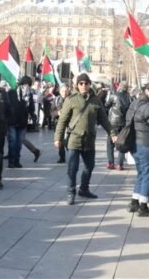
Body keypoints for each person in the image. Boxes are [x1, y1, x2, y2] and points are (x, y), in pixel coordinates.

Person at [54, 73, 117, 206]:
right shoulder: (71, 99)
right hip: (74, 139)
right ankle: (71, 192)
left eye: (86, 83)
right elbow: (62, 121)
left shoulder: (96, 100)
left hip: (89, 140)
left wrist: (112, 133)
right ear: (77, 85)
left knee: (89, 166)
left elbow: (104, 120)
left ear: (90, 84)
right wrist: (58, 138)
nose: (84, 86)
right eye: (81, 83)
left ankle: (84, 189)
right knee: (72, 168)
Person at [125, 82, 149, 217]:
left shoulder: (135, 103)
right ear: (147, 91)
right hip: (146, 144)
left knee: (141, 173)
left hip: (134, 143)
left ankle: (134, 201)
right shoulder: (148, 107)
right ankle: (143, 206)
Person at [6, 76, 37, 168]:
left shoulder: (29, 95)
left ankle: (17, 161)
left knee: (19, 143)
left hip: (22, 122)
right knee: (12, 142)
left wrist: (32, 115)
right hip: (12, 121)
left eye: (28, 85)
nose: (27, 87)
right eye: (26, 84)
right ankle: (11, 161)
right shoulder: (12, 92)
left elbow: (31, 107)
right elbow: (7, 106)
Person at [105, 81, 131, 170]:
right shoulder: (129, 97)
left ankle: (111, 163)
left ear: (119, 87)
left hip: (113, 121)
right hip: (123, 122)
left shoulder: (114, 95)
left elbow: (107, 105)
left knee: (110, 143)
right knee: (122, 142)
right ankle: (120, 164)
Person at [53, 84, 70, 163]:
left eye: (66, 91)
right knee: (60, 140)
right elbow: (51, 111)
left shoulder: (71, 100)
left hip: (69, 123)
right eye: (62, 91)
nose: (64, 93)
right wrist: (57, 113)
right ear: (60, 91)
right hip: (59, 123)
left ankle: (71, 155)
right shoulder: (56, 100)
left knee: (68, 140)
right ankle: (62, 157)